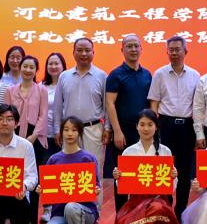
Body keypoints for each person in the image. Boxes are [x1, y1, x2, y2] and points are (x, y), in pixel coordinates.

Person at [108, 109, 180, 224]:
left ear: (156, 127)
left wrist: (173, 176)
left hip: (158, 200)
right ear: (136, 127)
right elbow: (124, 186)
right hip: (135, 202)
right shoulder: (129, 152)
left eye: (150, 124)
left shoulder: (165, 151)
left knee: (155, 209)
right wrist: (118, 177)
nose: (146, 128)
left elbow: (171, 188)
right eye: (142, 124)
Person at [52, 38, 109, 209]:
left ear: (93, 52)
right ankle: (68, 210)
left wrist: (107, 128)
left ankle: (94, 212)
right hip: (69, 131)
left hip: (93, 129)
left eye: (87, 50)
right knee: (69, 171)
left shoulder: (102, 76)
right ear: (73, 52)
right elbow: (57, 106)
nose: (84, 54)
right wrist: (57, 129)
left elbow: (107, 105)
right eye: (80, 50)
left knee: (94, 171)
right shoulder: (64, 76)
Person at [147, 35, 200, 220]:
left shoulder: (195, 75)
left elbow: (197, 105)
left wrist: (197, 132)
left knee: (184, 172)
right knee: (165, 169)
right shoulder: (159, 74)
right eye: (171, 50)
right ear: (167, 52)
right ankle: (166, 209)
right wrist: (154, 128)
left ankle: (181, 211)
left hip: (187, 127)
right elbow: (154, 103)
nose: (175, 53)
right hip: (166, 125)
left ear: (186, 51)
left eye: (178, 49)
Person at [39, 117, 102, 224]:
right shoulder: (54, 159)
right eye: (66, 130)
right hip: (60, 213)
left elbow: (95, 185)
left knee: (71, 207)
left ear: (80, 133)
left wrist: (96, 190)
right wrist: (42, 190)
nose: (69, 133)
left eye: (74, 130)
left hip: (84, 211)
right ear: (61, 132)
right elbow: (49, 189)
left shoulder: (88, 158)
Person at [106, 35, 153, 209]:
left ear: (141, 49)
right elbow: (109, 103)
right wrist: (117, 131)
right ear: (122, 50)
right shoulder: (115, 75)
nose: (133, 49)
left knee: (142, 175)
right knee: (122, 177)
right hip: (123, 133)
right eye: (129, 46)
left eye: (136, 46)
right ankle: (122, 216)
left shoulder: (147, 75)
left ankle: (141, 213)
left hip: (144, 133)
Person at [4, 55, 50, 224]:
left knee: (33, 179)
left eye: (32, 67)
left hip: (34, 138)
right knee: (13, 177)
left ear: (36, 70)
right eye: (25, 66)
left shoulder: (41, 90)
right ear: (20, 67)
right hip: (13, 137)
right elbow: (6, 115)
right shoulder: (10, 90)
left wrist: (33, 136)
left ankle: (31, 220)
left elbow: (43, 115)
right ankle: (12, 219)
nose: (28, 70)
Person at [42, 51, 68, 159]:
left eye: (56, 63)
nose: (53, 66)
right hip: (45, 135)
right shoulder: (41, 86)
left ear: (63, 66)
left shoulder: (68, 85)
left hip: (66, 133)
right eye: (50, 64)